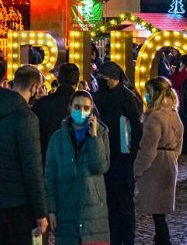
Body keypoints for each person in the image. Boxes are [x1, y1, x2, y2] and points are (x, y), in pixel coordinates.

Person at [0, 64, 48, 245]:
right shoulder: (26, 118)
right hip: (20, 204)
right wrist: (41, 212)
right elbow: (33, 169)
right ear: (33, 87)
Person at [45, 89, 109, 245]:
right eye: (77, 107)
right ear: (70, 107)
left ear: (91, 110)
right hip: (66, 208)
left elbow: (100, 167)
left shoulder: (101, 134)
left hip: (93, 211)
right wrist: (51, 209)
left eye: (86, 108)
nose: (81, 112)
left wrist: (94, 138)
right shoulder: (57, 138)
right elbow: (50, 177)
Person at [92, 60, 143, 245]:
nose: (102, 81)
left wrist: (132, 153)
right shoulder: (98, 96)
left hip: (122, 157)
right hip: (104, 155)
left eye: (104, 78)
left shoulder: (128, 97)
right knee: (109, 203)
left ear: (114, 78)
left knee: (124, 204)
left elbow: (137, 127)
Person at [134, 77, 182, 245]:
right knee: (160, 210)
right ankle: (160, 238)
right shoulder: (173, 113)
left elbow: (148, 148)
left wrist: (138, 169)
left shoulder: (154, 117)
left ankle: (163, 239)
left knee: (157, 211)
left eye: (148, 92)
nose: (146, 95)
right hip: (169, 162)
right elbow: (179, 141)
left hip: (155, 166)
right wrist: (173, 156)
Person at [31, 63, 79, 163]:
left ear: (58, 80)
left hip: (46, 159)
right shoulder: (84, 106)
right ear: (77, 83)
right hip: (74, 162)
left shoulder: (41, 104)